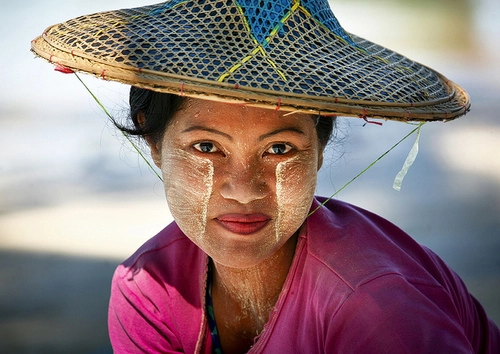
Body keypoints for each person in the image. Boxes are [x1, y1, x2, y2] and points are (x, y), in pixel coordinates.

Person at [31, 0, 499, 352]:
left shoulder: (374, 303)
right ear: (155, 145)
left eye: (279, 149)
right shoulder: (147, 291)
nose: (243, 188)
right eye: (206, 147)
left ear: (318, 152)